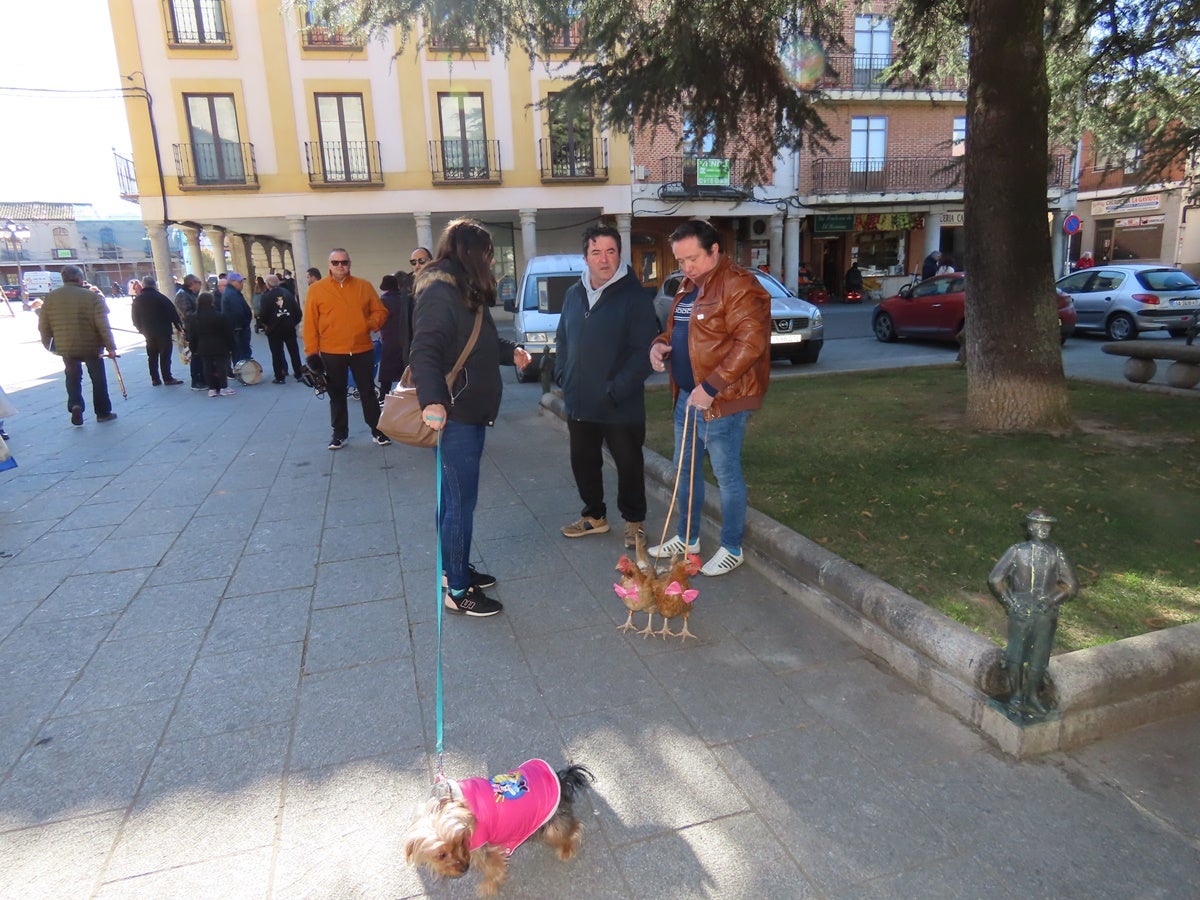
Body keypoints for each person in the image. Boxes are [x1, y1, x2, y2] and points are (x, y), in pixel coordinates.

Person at [410, 219, 533, 616]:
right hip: (455, 412)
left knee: (454, 499)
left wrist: (510, 350)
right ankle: (458, 590)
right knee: (460, 503)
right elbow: (424, 349)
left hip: (467, 409)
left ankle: (454, 569)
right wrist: (432, 402)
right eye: (489, 254)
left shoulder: (461, 287)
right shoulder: (441, 290)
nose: (492, 261)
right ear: (474, 253)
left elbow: (477, 341)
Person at [647, 219, 770, 577]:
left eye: (693, 259)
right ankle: (687, 538)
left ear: (715, 250)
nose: (686, 267)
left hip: (723, 400)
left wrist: (711, 386)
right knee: (684, 471)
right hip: (688, 396)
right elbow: (677, 331)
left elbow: (751, 343)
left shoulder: (739, 286)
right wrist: (659, 347)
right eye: (680, 260)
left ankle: (732, 547)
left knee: (726, 475)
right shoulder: (690, 285)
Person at [555, 224, 659, 549]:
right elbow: (562, 338)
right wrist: (564, 376)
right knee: (583, 462)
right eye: (596, 252)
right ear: (585, 257)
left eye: (611, 251)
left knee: (629, 464)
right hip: (580, 401)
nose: (604, 259)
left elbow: (644, 352)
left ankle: (634, 522)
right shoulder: (574, 294)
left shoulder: (635, 297)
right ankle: (594, 516)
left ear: (619, 255)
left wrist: (615, 389)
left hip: (620, 405)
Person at [988, 509, 1079, 715]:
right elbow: (995, 578)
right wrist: (1010, 603)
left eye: (1047, 526)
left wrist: (1052, 600)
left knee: (1040, 656)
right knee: (1015, 654)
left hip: (1045, 614)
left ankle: (1032, 696)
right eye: (1039, 525)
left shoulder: (1056, 553)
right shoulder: (1017, 551)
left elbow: (1071, 584)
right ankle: (1016, 694)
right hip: (1020, 611)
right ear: (1030, 528)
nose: (1043, 529)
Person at [302, 248, 390, 449]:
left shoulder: (363, 286)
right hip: (331, 351)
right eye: (336, 262)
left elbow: (380, 311)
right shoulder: (317, 289)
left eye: (344, 262)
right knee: (336, 393)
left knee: (368, 392)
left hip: (361, 349)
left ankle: (378, 431)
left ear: (349, 264)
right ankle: (339, 433)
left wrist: (368, 324)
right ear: (329, 265)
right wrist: (312, 354)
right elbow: (310, 324)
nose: (340, 266)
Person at [37, 265, 119, 426]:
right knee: (98, 378)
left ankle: (75, 405)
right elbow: (103, 325)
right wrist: (111, 347)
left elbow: (43, 326)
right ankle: (102, 412)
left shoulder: (51, 298)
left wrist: (50, 345)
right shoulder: (92, 297)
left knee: (72, 376)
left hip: (66, 346)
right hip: (91, 346)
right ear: (80, 278)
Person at [130, 274, 183, 386]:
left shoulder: (137, 300)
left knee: (152, 356)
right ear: (154, 285)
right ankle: (167, 377)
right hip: (163, 331)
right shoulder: (161, 297)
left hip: (148, 333)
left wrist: (141, 330)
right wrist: (179, 328)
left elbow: (134, 319)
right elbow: (173, 314)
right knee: (165, 355)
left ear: (143, 286)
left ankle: (155, 378)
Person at [187, 291, 237, 397]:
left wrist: (193, 347)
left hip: (203, 345)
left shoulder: (194, 317)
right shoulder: (219, 316)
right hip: (219, 344)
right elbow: (227, 332)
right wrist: (231, 345)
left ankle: (212, 388)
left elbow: (192, 334)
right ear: (212, 302)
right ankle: (224, 387)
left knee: (206, 366)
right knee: (221, 365)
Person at [259, 273, 305, 383]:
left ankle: (279, 376)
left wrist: (267, 324)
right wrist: (293, 322)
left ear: (267, 285)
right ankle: (299, 374)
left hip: (274, 329)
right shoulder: (288, 293)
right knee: (294, 351)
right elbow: (298, 312)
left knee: (276, 353)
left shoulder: (266, 297)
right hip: (289, 327)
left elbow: (263, 315)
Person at [377, 271, 414, 395]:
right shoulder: (406, 299)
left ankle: (383, 397)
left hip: (389, 341)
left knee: (386, 376)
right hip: (405, 341)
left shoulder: (384, 301)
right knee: (405, 373)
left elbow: (378, 321)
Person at [174, 274, 206, 389]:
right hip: (190, 330)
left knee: (199, 354)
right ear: (192, 284)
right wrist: (202, 314)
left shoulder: (190, 294)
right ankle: (196, 380)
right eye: (199, 282)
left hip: (195, 328)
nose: (200, 285)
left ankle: (202, 378)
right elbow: (187, 314)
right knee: (195, 355)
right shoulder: (182, 295)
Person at [221, 272, 254, 368]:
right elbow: (238, 312)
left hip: (238, 328)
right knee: (241, 353)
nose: (242, 284)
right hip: (238, 329)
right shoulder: (232, 294)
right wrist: (244, 323)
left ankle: (241, 370)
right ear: (232, 282)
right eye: (239, 282)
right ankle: (243, 372)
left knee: (239, 352)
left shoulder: (233, 293)